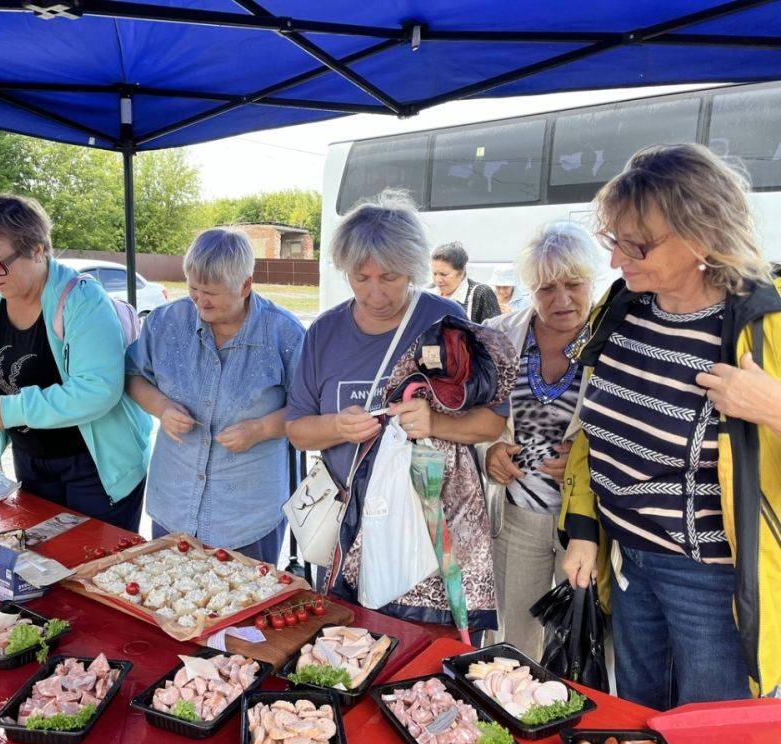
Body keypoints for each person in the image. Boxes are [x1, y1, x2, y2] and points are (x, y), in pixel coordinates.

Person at [560, 143, 781, 707]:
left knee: (711, 731)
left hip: (716, 582)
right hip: (629, 562)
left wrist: (771, 406)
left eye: (636, 244)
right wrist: (584, 527)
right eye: (614, 241)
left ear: (702, 233)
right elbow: (592, 430)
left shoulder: (765, 322)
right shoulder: (623, 307)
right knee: (638, 716)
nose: (616, 261)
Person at [286, 191, 507, 627]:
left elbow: (492, 421)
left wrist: (437, 422)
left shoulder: (444, 321)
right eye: (360, 277)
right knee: (352, 644)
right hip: (349, 531)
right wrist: (337, 426)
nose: (375, 293)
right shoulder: (325, 333)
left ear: (412, 269)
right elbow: (296, 431)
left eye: (388, 277)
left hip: (431, 531)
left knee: (428, 655)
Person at [0, 189, 152, 530]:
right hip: (32, 459)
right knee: (42, 564)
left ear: (37, 251)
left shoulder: (82, 300)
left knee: (96, 567)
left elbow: (97, 390)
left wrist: (7, 411)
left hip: (97, 465)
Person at [126, 228, 304, 563]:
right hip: (174, 504)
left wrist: (260, 430)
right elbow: (133, 377)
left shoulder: (284, 334)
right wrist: (162, 408)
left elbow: (309, 411)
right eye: (193, 288)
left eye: (212, 293)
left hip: (246, 515)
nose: (200, 301)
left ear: (246, 285)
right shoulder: (166, 322)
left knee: (243, 610)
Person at [479, 222, 598, 659]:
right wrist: (488, 453)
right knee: (514, 638)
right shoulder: (499, 336)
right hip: (518, 515)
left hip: (585, 520)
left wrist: (587, 464)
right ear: (530, 288)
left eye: (573, 284)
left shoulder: (611, 340)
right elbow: (474, 418)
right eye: (547, 287)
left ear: (591, 281)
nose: (562, 299)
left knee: (580, 640)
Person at [431, 241, 500, 323]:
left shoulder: (480, 293)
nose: (438, 280)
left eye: (444, 274)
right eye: (434, 273)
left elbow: (495, 333)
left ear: (462, 271)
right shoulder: (429, 292)